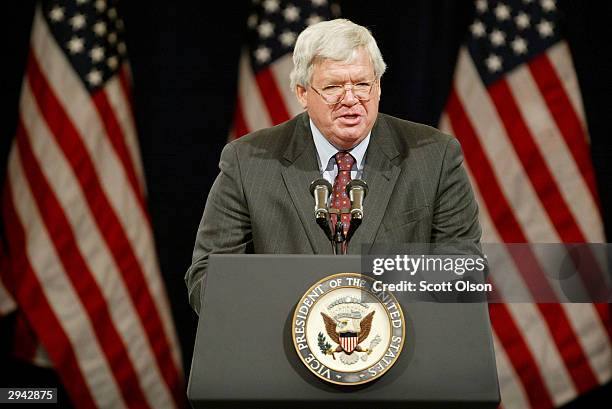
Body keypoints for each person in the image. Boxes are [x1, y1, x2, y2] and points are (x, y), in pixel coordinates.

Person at [186, 19, 481, 314]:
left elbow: (464, 272)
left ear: (378, 87)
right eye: (333, 87)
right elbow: (207, 279)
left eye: (363, 84)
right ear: (303, 93)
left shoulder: (434, 156)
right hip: (283, 349)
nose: (350, 100)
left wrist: (373, 287)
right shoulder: (247, 162)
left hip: (403, 347)